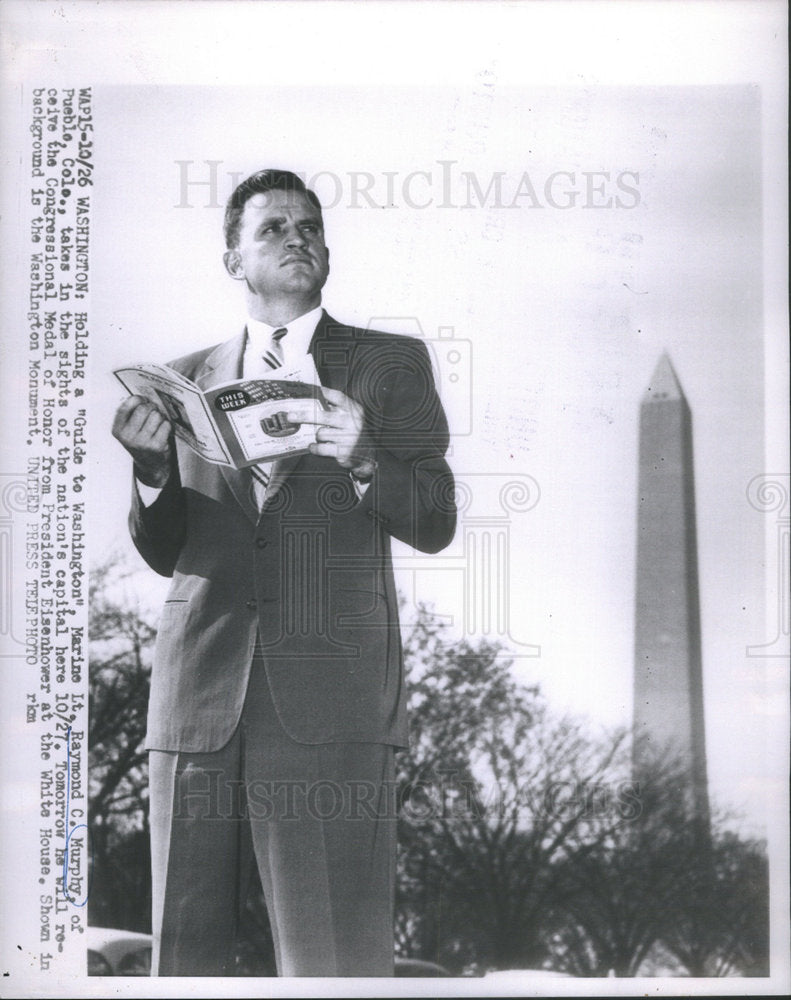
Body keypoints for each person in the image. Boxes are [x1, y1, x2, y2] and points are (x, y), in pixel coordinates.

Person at [111, 169, 456, 976]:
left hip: (331, 703)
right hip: (196, 703)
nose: (297, 237)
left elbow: (436, 519)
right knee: (181, 965)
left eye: (310, 226)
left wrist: (367, 458)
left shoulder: (388, 364)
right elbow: (166, 552)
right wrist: (152, 473)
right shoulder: (182, 380)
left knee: (333, 968)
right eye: (272, 227)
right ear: (233, 260)